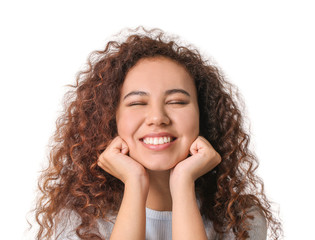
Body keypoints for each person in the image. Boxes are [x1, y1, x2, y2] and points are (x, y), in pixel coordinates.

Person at [34, 27, 282, 240]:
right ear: (111, 119)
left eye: (176, 101)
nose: (157, 118)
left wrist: (183, 183)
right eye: (137, 103)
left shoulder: (240, 218)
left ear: (202, 114)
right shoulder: (79, 219)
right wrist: (135, 182)